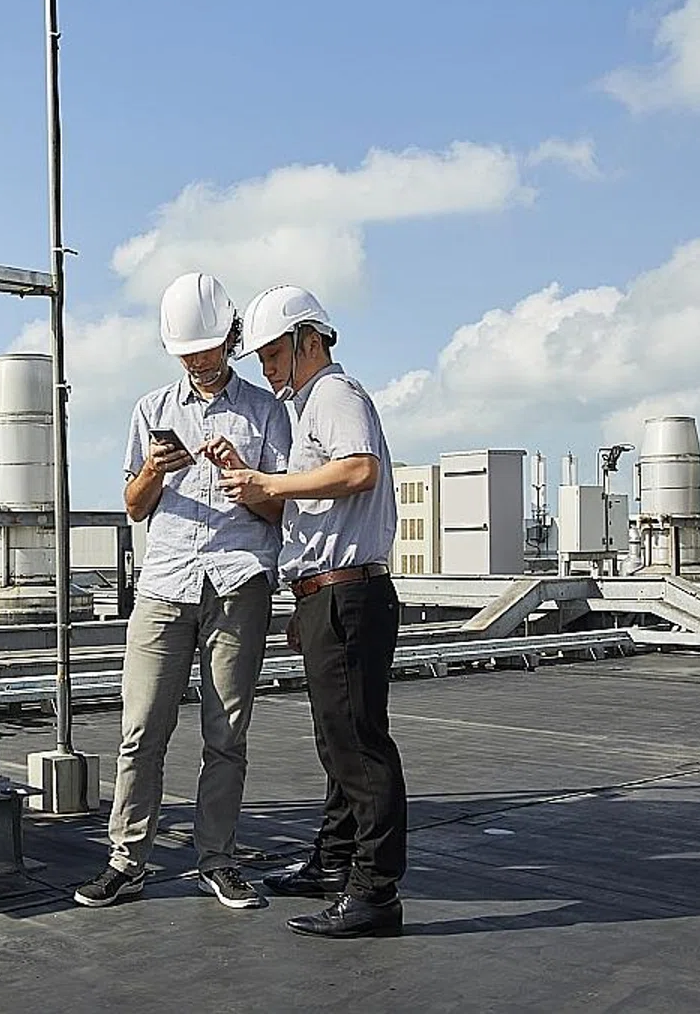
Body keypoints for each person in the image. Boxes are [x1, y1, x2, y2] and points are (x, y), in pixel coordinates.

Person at [72, 272, 291, 912]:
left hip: (238, 580)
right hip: (165, 583)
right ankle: (126, 860)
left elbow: (283, 508)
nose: (197, 359)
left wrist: (242, 477)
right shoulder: (151, 411)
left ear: (230, 337)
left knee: (226, 734)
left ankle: (217, 860)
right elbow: (134, 507)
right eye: (185, 350)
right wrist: (150, 470)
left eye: (207, 346)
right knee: (141, 730)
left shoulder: (267, 412)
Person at [217, 285, 407, 940]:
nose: (267, 371)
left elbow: (359, 471)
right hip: (330, 591)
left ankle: (374, 891)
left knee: (358, 745)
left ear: (307, 341)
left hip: (348, 592)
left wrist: (271, 484)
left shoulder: (335, 394)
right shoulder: (310, 409)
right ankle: (334, 862)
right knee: (339, 740)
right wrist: (257, 486)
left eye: (273, 356)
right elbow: (311, 504)